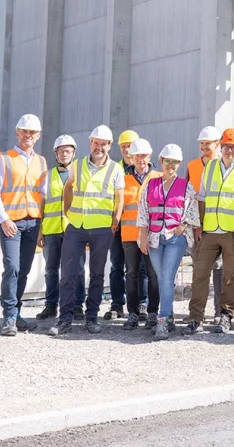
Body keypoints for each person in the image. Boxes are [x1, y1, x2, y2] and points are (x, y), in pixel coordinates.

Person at [47, 125, 125, 336]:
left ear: (109, 145)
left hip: (102, 227)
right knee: (68, 273)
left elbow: (120, 197)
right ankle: (65, 319)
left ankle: (92, 318)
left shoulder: (116, 169)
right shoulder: (78, 164)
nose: (98, 147)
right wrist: (68, 212)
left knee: (97, 275)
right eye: (95, 142)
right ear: (90, 142)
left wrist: (116, 219)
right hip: (77, 226)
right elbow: (68, 186)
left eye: (103, 144)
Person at [184, 128, 234, 335]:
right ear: (221, 147)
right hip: (210, 231)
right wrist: (199, 226)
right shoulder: (211, 167)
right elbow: (203, 197)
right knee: (199, 274)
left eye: (233, 147)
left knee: (230, 276)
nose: (229, 150)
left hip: (233, 232)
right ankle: (196, 318)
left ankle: (225, 316)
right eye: (226, 146)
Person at [0, 114, 47, 336]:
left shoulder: (41, 162)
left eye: (32, 132)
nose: (28, 135)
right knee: (12, 268)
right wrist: (4, 219)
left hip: (33, 223)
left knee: (23, 270)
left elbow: (43, 195)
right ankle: (9, 316)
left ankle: (17, 312)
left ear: (38, 135)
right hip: (11, 223)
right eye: (24, 131)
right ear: (17, 132)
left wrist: (42, 225)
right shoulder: (3, 159)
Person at [138, 144, 196, 341]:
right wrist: (143, 236)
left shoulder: (186, 186)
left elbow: (193, 210)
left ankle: (162, 321)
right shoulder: (151, 185)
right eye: (167, 161)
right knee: (163, 278)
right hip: (154, 238)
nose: (170, 165)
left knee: (165, 276)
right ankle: (169, 316)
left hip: (175, 238)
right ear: (161, 161)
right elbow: (143, 212)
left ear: (179, 164)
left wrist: (183, 225)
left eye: (175, 162)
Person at [36, 134, 85, 321]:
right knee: (51, 269)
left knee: (77, 269)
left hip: (75, 230)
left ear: (73, 153)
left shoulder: (81, 175)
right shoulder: (46, 176)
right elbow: (41, 203)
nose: (64, 154)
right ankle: (50, 306)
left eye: (68, 151)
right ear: (56, 154)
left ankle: (78, 305)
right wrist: (40, 230)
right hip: (51, 230)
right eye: (61, 151)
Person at [120, 138, 161, 330]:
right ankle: (133, 314)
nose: (141, 159)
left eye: (144, 156)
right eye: (137, 156)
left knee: (153, 275)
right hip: (129, 234)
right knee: (131, 274)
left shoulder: (159, 177)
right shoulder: (123, 178)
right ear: (131, 157)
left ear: (150, 156)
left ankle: (152, 312)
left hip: (152, 235)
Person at [186, 126, 224, 319]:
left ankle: (219, 311)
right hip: (197, 228)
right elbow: (186, 197)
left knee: (219, 269)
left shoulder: (225, 166)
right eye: (201, 144)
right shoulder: (192, 166)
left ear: (217, 144)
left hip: (219, 226)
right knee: (199, 269)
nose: (203, 147)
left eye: (207, 143)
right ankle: (197, 312)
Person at [104, 129, 138, 320]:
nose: (127, 150)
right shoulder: (113, 169)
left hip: (135, 226)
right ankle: (117, 304)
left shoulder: (146, 170)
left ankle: (141, 304)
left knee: (138, 267)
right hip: (116, 225)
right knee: (117, 265)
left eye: (130, 146)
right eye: (124, 146)